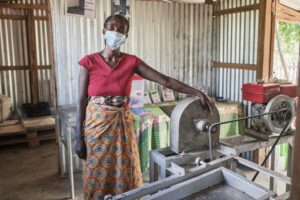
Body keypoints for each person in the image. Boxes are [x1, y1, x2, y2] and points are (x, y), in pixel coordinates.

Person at [76, 14, 213, 200]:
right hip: (95, 129)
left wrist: (196, 92)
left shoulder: (131, 62)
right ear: (104, 30)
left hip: (121, 127)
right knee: (96, 176)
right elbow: (81, 101)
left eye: (121, 29)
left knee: (124, 173)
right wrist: (79, 138)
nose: (115, 32)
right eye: (112, 27)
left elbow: (165, 80)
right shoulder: (88, 62)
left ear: (126, 35)